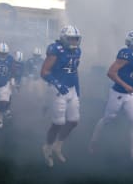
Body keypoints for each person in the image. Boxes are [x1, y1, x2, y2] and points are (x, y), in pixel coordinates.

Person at [89, 30, 133, 165]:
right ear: (132, 42)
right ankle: (93, 142)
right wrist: (126, 85)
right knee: (108, 119)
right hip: (118, 94)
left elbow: (129, 72)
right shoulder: (126, 53)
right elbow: (111, 73)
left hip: (129, 94)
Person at [41, 25, 82, 167]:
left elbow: (74, 71)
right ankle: (47, 147)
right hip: (57, 89)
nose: (74, 42)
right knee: (58, 123)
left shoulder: (77, 51)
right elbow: (44, 72)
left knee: (74, 121)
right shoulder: (55, 49)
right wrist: (58, 84)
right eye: (71, 39)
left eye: (76, 39)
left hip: (71, 89)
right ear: (64, 38)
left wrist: (78, 89)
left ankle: (58, 145)